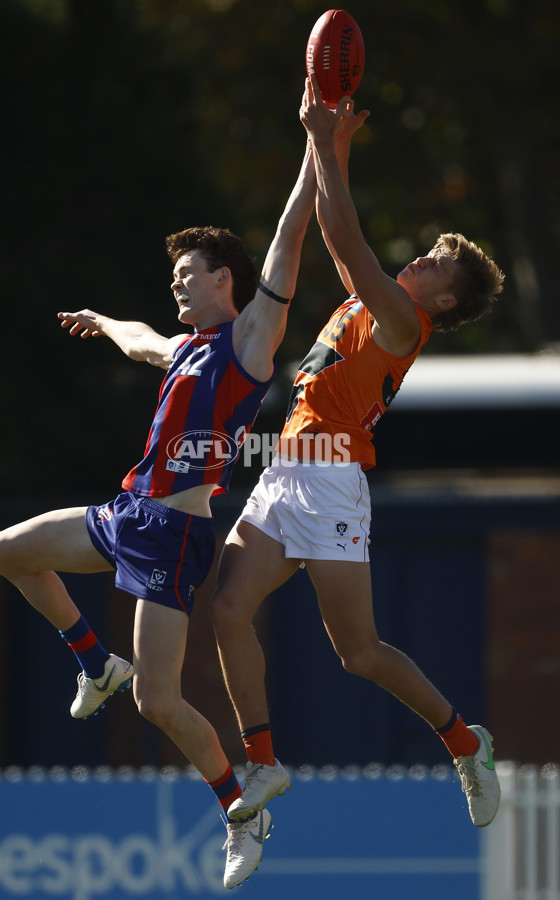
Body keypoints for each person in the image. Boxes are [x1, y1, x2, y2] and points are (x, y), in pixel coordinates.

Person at [0, 139, 319, 889]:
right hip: (126, 512)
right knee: (7, 551)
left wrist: (316, 144)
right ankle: (94, 660)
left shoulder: (247, 343)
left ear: (224, 278)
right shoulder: (188, 347)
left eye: (185, 275)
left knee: (159, 700)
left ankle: (242, 811)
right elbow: (144, 342)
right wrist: (104, 321)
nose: (176, 286)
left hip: (171, 535)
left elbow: (292, 233)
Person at [210, 74, 505, 832]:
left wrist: (323, 144)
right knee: (229, 608)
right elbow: (341, 236)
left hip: (334, 484)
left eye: (437, 264)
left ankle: (464, 741)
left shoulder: (406, 320)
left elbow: (343, 239)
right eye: (432, 254)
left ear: (441, 301)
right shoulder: (377, 300)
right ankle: (264, 758)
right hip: (285, 471)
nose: (424, 260)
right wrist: (331, 147)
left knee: (360, 652)